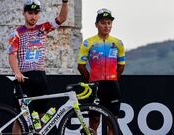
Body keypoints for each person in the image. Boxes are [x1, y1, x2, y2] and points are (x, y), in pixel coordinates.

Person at [8, 0, 68, 133]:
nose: (33, 16)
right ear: (24, 13)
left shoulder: (42, 28)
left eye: (36, 13)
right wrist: (17, 73)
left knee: (41, 116)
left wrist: (64, 2)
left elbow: (62, 18)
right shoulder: (17, 32)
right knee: (20, 119)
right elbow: (11, 54)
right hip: (24, 78)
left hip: (40, 76)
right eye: (30, 13)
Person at [77, 8, 125, 134]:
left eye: (109, 23)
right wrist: (91, 79)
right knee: (94, 122)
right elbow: (81, 66)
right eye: (103, 23)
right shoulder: (88, 43)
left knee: (112, 123)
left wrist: (113, 77)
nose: (106, 26)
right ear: (96, 24)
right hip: (95, 86)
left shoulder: (118, 43)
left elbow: (121, 66)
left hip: (112, 86)